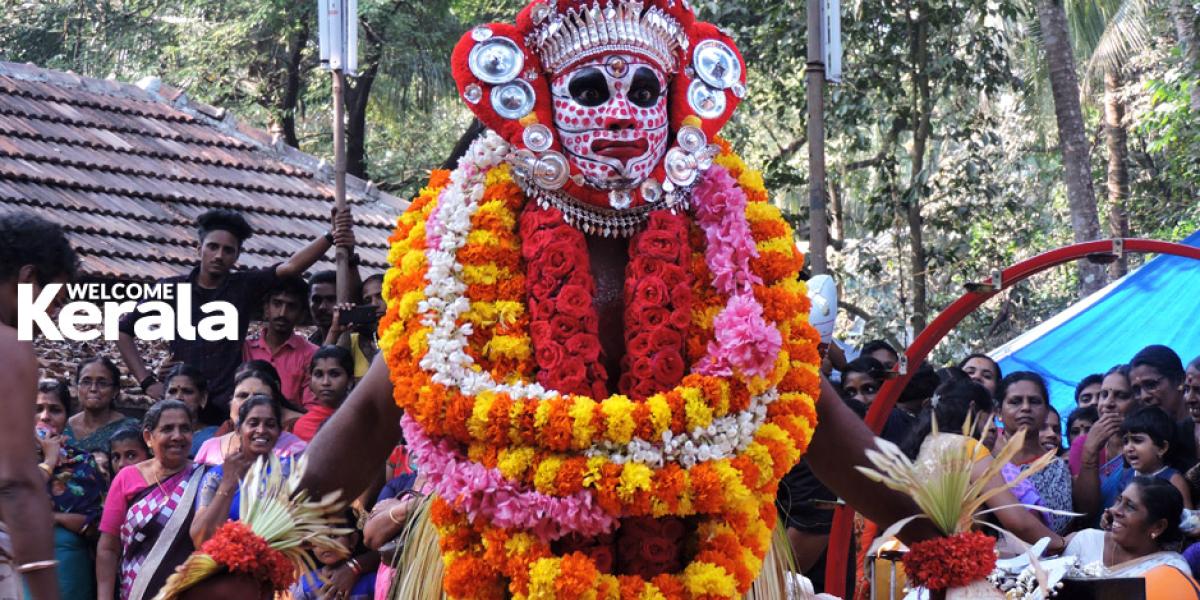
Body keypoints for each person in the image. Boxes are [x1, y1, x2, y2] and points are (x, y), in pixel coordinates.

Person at [299, 2, 954, 594]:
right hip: (506, 568)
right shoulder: (469, 240)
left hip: (696, 559)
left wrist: (952, 547)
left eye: (644, 90)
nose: (619, 112)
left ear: (675, 105)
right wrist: (254, 550)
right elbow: (373, 412)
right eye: (590, 89)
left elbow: (813, 414)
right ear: (540, 103)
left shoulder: (724, 237)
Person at [116, 208, 354, 425]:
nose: (219, 255)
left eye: (228, 250)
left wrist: (331, 235)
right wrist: (148, 382)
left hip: (225, 412)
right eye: (212, 247)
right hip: (180, 407)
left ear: (238, 255)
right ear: (199, 249)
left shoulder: (244, 287)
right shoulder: (172, 289)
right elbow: (122, 329)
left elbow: (291, 268)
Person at [0, 211, 77, 600]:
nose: (51, 315)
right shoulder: (9, 347)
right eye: (54, 299)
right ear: (28, 278)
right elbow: (13, 482)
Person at [902, 378, 1067, 548]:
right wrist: (1061, 543)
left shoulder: (925, 444)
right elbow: (1017, 520)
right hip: (949, 561)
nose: (993, 428)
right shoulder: (968, 448)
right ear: (974, 409)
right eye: (989, 419)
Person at [96, 401, 206, 600]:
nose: (177, 436)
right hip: (137, 590)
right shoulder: (127, 478)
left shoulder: (206, 477)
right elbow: (108, 548)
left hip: (190, 591)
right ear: (148, 437)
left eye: (185, 428)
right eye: (167, 429)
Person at [34, 378, 104, 598]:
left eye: (55, 410)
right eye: (37, 409)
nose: (45, 416)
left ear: (66, 418)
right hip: (19, 566)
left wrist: (55, 517)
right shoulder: (10, 460)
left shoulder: (82, 463)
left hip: (71, 570)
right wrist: (50, 458)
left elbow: (97, 527)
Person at [190, 394, 289, 546]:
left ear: (279, 431)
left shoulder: (289, 471)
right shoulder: (216, 476)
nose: (261, 430)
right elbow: (200, 538)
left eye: (270, 424)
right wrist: (228, 484)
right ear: (238, 430)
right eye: (253, 423)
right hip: (226, 563)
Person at [1065, 477, 1191, 577]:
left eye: (1130, 507)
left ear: (1158, 527)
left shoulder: (1170, 570)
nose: (1115, 510)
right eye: (1119, 500)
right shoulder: (1086, 542)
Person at [996, 372, 1074, 534]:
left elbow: (1058, 525)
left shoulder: (1056, 468)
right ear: (998, 412)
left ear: (1046, 412)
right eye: (1015, 402)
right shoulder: (984, 460)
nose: (1025, 408)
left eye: (1034, 401)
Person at [193, 370, 306, 465]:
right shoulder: (210, 447)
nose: (249, 402)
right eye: (242, 395)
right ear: (230, 403)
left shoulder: (294, 449)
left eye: (259, 396)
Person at [1071, 365, 1140, 519]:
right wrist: (1090, 451)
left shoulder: (1148, 445)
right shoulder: (1083, 443)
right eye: (1104, 394)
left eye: (1121, 395)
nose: (1107, 403)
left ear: (1139, 401)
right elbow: (1085, 511)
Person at [242, 276, 319, 409]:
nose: (282, 313)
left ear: (301, 314)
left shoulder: (312, 354)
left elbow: (311, 410)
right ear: (266, 309)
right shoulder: (244, 348)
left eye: (291, 306)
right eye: (277, 304)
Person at [288, 510, 376, 600]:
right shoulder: (305, 585)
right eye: (318, 539)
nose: (325, 544)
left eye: (333, 536)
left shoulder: (372, 581)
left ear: (353, 540)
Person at [65, 357, 139, 458]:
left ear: (115, 391)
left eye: (102, 383)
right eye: (86, 382)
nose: (93, 389)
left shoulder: (130, 428)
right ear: (77, 387)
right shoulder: (64, 427)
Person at [1119, 406, 1192, 507]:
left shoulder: (1173, 480)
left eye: (1137, 440)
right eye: (1125, 442)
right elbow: (1118, 506)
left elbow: (1188, 520)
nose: (1129, 448)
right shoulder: (1126, 476)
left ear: (1162, 448)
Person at [292, 346, 354, 442]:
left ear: (350, 380)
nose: (325, 382)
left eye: (334, 374)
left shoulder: (360, 418)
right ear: (310, 382)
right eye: (319, 375)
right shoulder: (303, 426)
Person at [162, 364, 216, 457]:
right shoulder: (155, 434)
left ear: (203, 398)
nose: (178, 397)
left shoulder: (214, 436)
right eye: (172, 391)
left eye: (187, 391)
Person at [307, 270, 339, 345]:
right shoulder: (311, 342)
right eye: (317, 300)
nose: (322, 307)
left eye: (331, 299)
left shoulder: (357, 342)